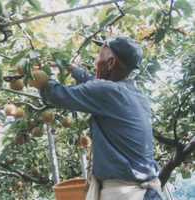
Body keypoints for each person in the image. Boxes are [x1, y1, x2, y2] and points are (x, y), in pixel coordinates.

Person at [39, 36, 162, 200]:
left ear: (110, 63)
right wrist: (71, 68)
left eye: (98, 57)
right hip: (148, 192)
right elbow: (94, 81)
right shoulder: (137, 95)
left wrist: (38, 74)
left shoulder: (106, 91)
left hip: (127, 195)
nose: (95, 63)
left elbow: (57, 94)